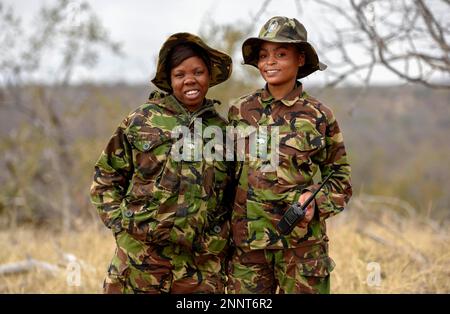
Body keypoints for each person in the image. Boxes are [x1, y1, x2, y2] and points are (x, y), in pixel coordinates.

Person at [89, 32, 235, 293]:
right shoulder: (141, 121)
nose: (190, 80)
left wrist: (218, 241)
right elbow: (106, 178)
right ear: (169, 79)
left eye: (198, 72)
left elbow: (234, 196)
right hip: (139, 263)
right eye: (180, 74)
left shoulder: (223, 131)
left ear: (209, 76)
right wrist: (122, 227)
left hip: (199, 268)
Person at [226, 16, 352, 294]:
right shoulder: (239, 111)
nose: (269, 61)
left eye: (280, 54)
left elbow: (340, 178)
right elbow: (224, 175)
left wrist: (315, 202)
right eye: (263, 55)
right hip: (248, 249)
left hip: (301, 248)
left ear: (300, 58)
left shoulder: (319, 115)